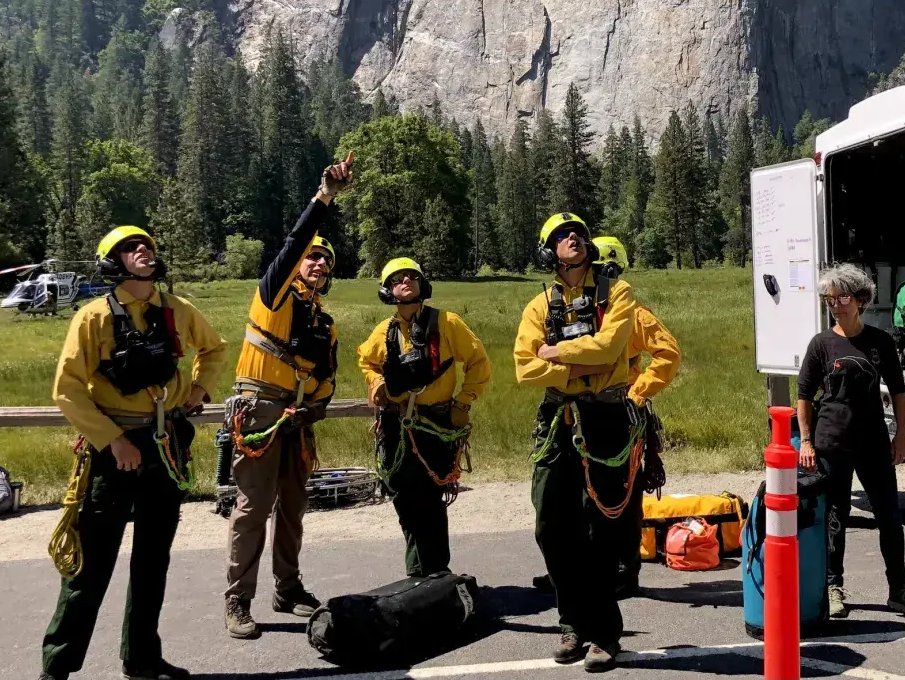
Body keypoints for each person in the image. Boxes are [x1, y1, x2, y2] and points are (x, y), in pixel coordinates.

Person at [40, 226, 226, 680]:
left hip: (166, 446)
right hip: (112, 449)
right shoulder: (92, 318)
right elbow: (66, 390)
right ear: (111, 263)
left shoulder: (178, 310)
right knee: (92, 563)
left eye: (145, 246)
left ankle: (141, 658)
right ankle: (57, 667)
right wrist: (112, 440)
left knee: (152, 559)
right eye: (129, 248)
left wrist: (200, 388)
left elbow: (214, 349)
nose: (142, 250)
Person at [223, 154, 353, 640]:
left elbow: (329, 377)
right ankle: (238, 599)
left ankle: (288, 588)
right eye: (312, 257)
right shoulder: (273, 295)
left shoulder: (325, 323)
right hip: (259, 408)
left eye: (325, 260)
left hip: (299, 416)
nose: (317, 263)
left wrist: (314, 405)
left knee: (294, 507)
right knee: (254, 505)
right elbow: (297, 239)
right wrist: (325, 198)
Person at [515, 213, 640, 674]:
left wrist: (558, 352)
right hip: (556, 421)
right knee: (551, 524)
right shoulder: (538, 306)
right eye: (563, 235)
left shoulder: (617, 294)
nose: (575, 238)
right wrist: (580, 369)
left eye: (580, 233)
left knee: (602, 528)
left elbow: (612, 349)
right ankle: (572, 622)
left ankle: (605, 633)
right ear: (548, 251)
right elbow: (525, 368)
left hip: (605, 417)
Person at [532, 235, 681, 598]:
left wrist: (638, 391)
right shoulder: (567, 311)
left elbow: (668, 354)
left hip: (620, 410)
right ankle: (572, 571)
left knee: (619, 496)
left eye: (608, 270)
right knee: (574, 496)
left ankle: (623, 569)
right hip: (579, 409)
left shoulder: (632, 312)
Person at [798, 263, 905, 620]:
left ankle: (899, 590)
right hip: (831, 443)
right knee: (835, 516)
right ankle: (832, 587)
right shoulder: (821, 344)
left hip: (874, 442)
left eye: (841, 297)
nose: (835, 305)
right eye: (829, 299)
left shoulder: (880, 341)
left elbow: (899, 391)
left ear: (860, 300)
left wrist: (901, 434)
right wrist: (807, 442)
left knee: (889, 515)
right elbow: (804, 395)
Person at [358, 256, 491, 577]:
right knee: (403, 498)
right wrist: (376, 384)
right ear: (387, 290)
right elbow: (366, 362)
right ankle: (420, 574)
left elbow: (478, 362)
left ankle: (435, 574)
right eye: (398, 279)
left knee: (431, 499)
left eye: (412, 277)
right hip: (396, 426)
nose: (406, 282)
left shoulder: (446, 323)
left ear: (422, 285)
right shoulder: (385, 331)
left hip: (435, 425)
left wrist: (463, 403)